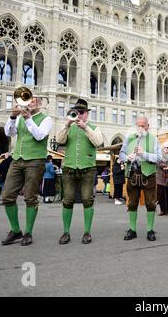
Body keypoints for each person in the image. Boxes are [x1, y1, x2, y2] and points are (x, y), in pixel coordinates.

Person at [1, 96, 53, 246]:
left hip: (35, 160)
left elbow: (39, 136)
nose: (28, 103)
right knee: (7, 195)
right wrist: (12, 117)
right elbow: (8, 133)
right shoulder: (19, 118)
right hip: (18, 159)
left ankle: (28, 232)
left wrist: (29, 118)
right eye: (27, 100)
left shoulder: (46, 119)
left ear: (40, 104)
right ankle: (16, 230)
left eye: (32, 100)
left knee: (30, 197)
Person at [56, 99, 104, 245]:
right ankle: (66, 232)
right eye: (77, 112)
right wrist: (67, 124)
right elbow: (59, 140)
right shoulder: (69, 127)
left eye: (81, 112)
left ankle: (87, 232)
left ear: (86, 114)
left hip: (87, 168)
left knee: (87, 200)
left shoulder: (94, 128)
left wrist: (85, 128)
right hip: (69, 168)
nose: (79, 115)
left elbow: (98, 142)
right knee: (68, 200)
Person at [119, 116, 161, 241]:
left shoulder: (153, 139)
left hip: (148, 175)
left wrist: (144, 154)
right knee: (132, 203)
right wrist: (127, 158)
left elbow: (159, 158)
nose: (140, 128)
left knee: (150, 203)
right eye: (138, 125)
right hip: (133, 174)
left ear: (148, 126)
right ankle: (132, 230)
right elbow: (121, 154)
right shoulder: (129, 138)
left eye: (143, 125)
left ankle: (150, 230)